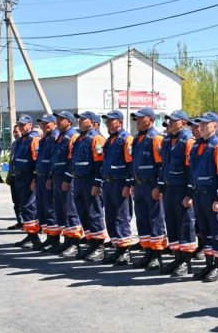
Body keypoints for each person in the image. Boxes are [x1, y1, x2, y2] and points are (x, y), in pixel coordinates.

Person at [184, 112, 218, 282]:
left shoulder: (217, 146)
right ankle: (209, 263)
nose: (201, 127)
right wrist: (190, 194)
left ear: (215, 126)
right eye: (200, 124)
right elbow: (192, 173)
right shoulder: (196, 146)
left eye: (206, 124)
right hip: (199, 196)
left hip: (212, 196)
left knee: (217, 232)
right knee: (205, 232)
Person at [159, 110, 198, 270]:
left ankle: (186, 261)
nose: (170, 123)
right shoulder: (167, 140)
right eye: (169, 120)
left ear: (183, 122)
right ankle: (177, 257)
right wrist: (161, 187)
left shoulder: (188, 141)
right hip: (169, 188)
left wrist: (189, 194)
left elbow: (192, 171)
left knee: (185, 223)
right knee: (171, 222)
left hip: (182, 189)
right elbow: (163, 166)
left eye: (174, 121)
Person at [130, 108, 168, 269]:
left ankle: (157, 255)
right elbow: (133, 164)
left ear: (151, 120)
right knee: (142, 219)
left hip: (151, 185)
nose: (137, 121)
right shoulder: (137, 139)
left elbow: (161, 165)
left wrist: (158, 187)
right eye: (136, 119)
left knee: (156, 220)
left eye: (141, 118)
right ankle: (147, 252)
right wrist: (132, 183)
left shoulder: (156, 138)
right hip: (139, 186)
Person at [68, 111, 107, 261]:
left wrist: (97, 183)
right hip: (79, 180)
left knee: (94, 213)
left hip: (90, 180)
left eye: (83, 119)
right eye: (79, 119)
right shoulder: (79, 138)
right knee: (83, 213)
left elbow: (99, 164)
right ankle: (91, 242)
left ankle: (99, 247)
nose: (80, 121)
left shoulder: (96, 138)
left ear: (91, 122)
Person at [100, 109, 136, 266]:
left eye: (110, 120)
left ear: (119, 122)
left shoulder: (125, 139)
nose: (107, 123)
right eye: (106, 120)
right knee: (110, 217)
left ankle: (125, 250)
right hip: (108, 183)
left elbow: (130, 164)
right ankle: (117, 247)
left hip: (120, 183)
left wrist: (128, 184)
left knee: (121, 216)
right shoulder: (109, 140)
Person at [50, 111, 83, 257]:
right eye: (57, 119)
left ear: (69, 122)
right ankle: (67, 241)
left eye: (61, 119)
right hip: (57, 177)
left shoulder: (73, 136)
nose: (57, 121)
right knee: (61, 211)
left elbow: (72, 161)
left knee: (71, 211)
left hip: (66, 179)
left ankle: (74, 244)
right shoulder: (60, 136)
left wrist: (68, 179)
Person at [8, 115, 42, 247]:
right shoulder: (20, 141)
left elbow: (37, 162)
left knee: (29, 207)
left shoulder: (34, 140)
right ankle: (30, 234)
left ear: (30, 125)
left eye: (23, 124)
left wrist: (34, 178)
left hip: (28, 178)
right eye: (19, 124)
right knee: (23, 207)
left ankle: (35, 237)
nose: (21, 127)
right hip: (19, 178)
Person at [32, 115, 59, 250]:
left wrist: (50, 177)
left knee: (51, 209)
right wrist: (35, 178)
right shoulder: (44, 140)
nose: (43, 125)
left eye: (46, 123)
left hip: (49, 178)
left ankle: (55, 240)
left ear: (54, 124)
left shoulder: (55, 138)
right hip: (41, 177)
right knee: (42, 209)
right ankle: (49, 237)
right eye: (42, 123)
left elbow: (53, 161)